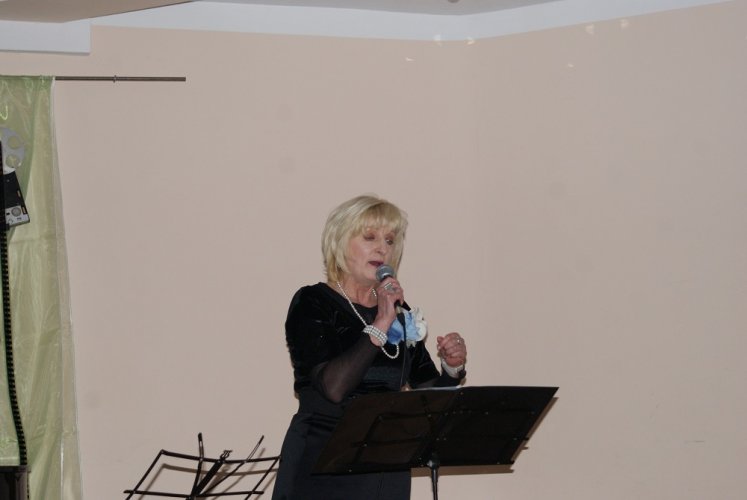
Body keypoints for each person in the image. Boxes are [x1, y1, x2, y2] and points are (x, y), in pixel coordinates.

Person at [271, 194, 468, 500]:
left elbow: (428, 396)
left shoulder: (399, 313)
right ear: (340, 242)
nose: (382, 248)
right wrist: (381, 323)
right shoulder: (313, 302)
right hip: (323, 462)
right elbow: (333, 388)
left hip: (385, 463)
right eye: (370, 237)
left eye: (390, 240)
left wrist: (452, 368)